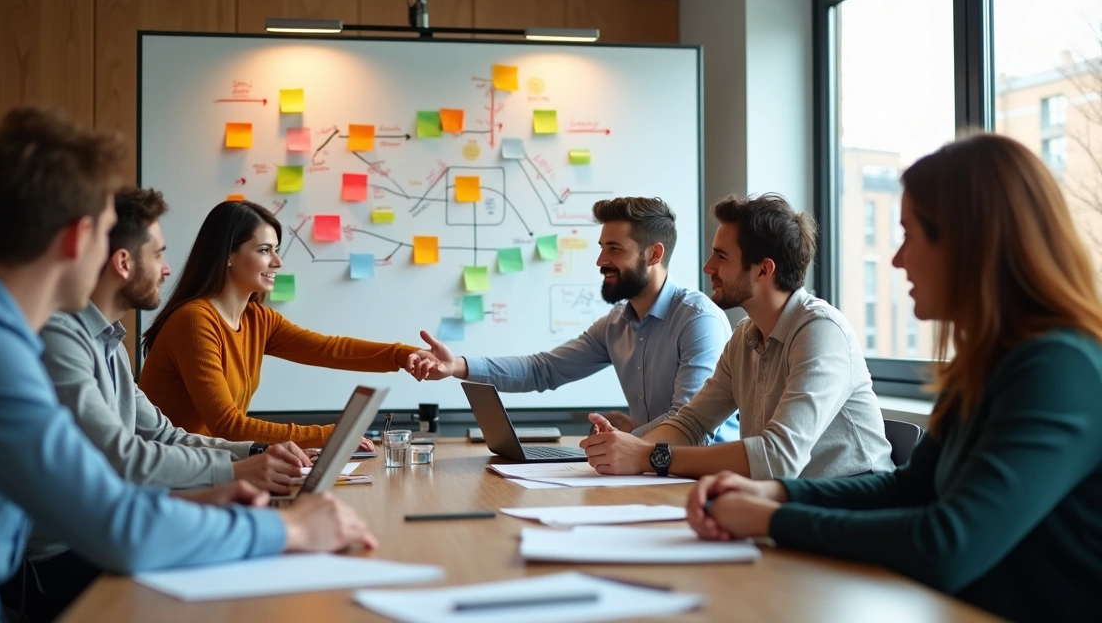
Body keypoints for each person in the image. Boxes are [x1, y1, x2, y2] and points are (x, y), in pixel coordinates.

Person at [0, 105, 376, 623]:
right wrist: (292, 529)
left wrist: (205, 499)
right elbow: (114, 520)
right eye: (105, 234)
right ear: (79, 239)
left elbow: (110, 483)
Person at [685, 134, 1102, 623]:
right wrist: (775, 493)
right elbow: (907, 489)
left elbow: (946, 545)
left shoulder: (1058, 369)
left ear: (968, 244)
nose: (897, 259)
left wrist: (775, 518)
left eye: (909, 235)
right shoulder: (993, 362)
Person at [4, 187, 319, 621]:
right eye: (160, 255)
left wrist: (255, 452)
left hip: (108, 531)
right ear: (124, 263)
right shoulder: (60, 336)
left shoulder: (110, 342)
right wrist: (234, 469)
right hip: (58, 558)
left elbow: (163, 434)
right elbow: (118, 456)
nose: (169, 269)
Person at [580, 194, 894, 480]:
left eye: (721, 257)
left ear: (762, 270)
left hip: (853, 508)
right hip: (786, 502)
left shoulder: (821, 331)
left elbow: (778, 459)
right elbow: (692, 424)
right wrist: (624, 449)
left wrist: (647, 456)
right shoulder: (745, 335)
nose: (707, 267)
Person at [418, 196, 737, 440]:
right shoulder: (615, 325)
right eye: (601, 248)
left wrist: (626, 439)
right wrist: (455, 365)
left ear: (653, 254)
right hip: (648, 471)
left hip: (704, 481)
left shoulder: (698, 321)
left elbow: (688, 425)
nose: (601, 260)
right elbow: (543, 369)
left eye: (614, 249)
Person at [138, 200, 435, 446]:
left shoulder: (257, 319)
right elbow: (229, 426)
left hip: (216, 463)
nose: (277, 262)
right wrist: (332, 435)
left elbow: (328, 349)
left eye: (276, 250)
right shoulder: (195, 321)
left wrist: (404, 355)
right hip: (173, 475)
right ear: (228, 254)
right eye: (265, 250)